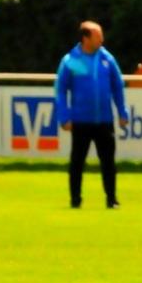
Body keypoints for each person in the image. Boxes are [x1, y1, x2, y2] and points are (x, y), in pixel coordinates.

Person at [55, 20, 129, 209]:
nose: (102, 39)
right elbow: (61, 90)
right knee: (77, 162)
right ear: (85, 38)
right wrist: (64, 116)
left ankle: (111, 199)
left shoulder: (107, 59)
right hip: (80, 121)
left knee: (108, 163)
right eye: (97, 36)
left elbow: (117, 86)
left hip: (104, 120)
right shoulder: (71, 60)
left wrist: (122, 111)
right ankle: (75, 200)